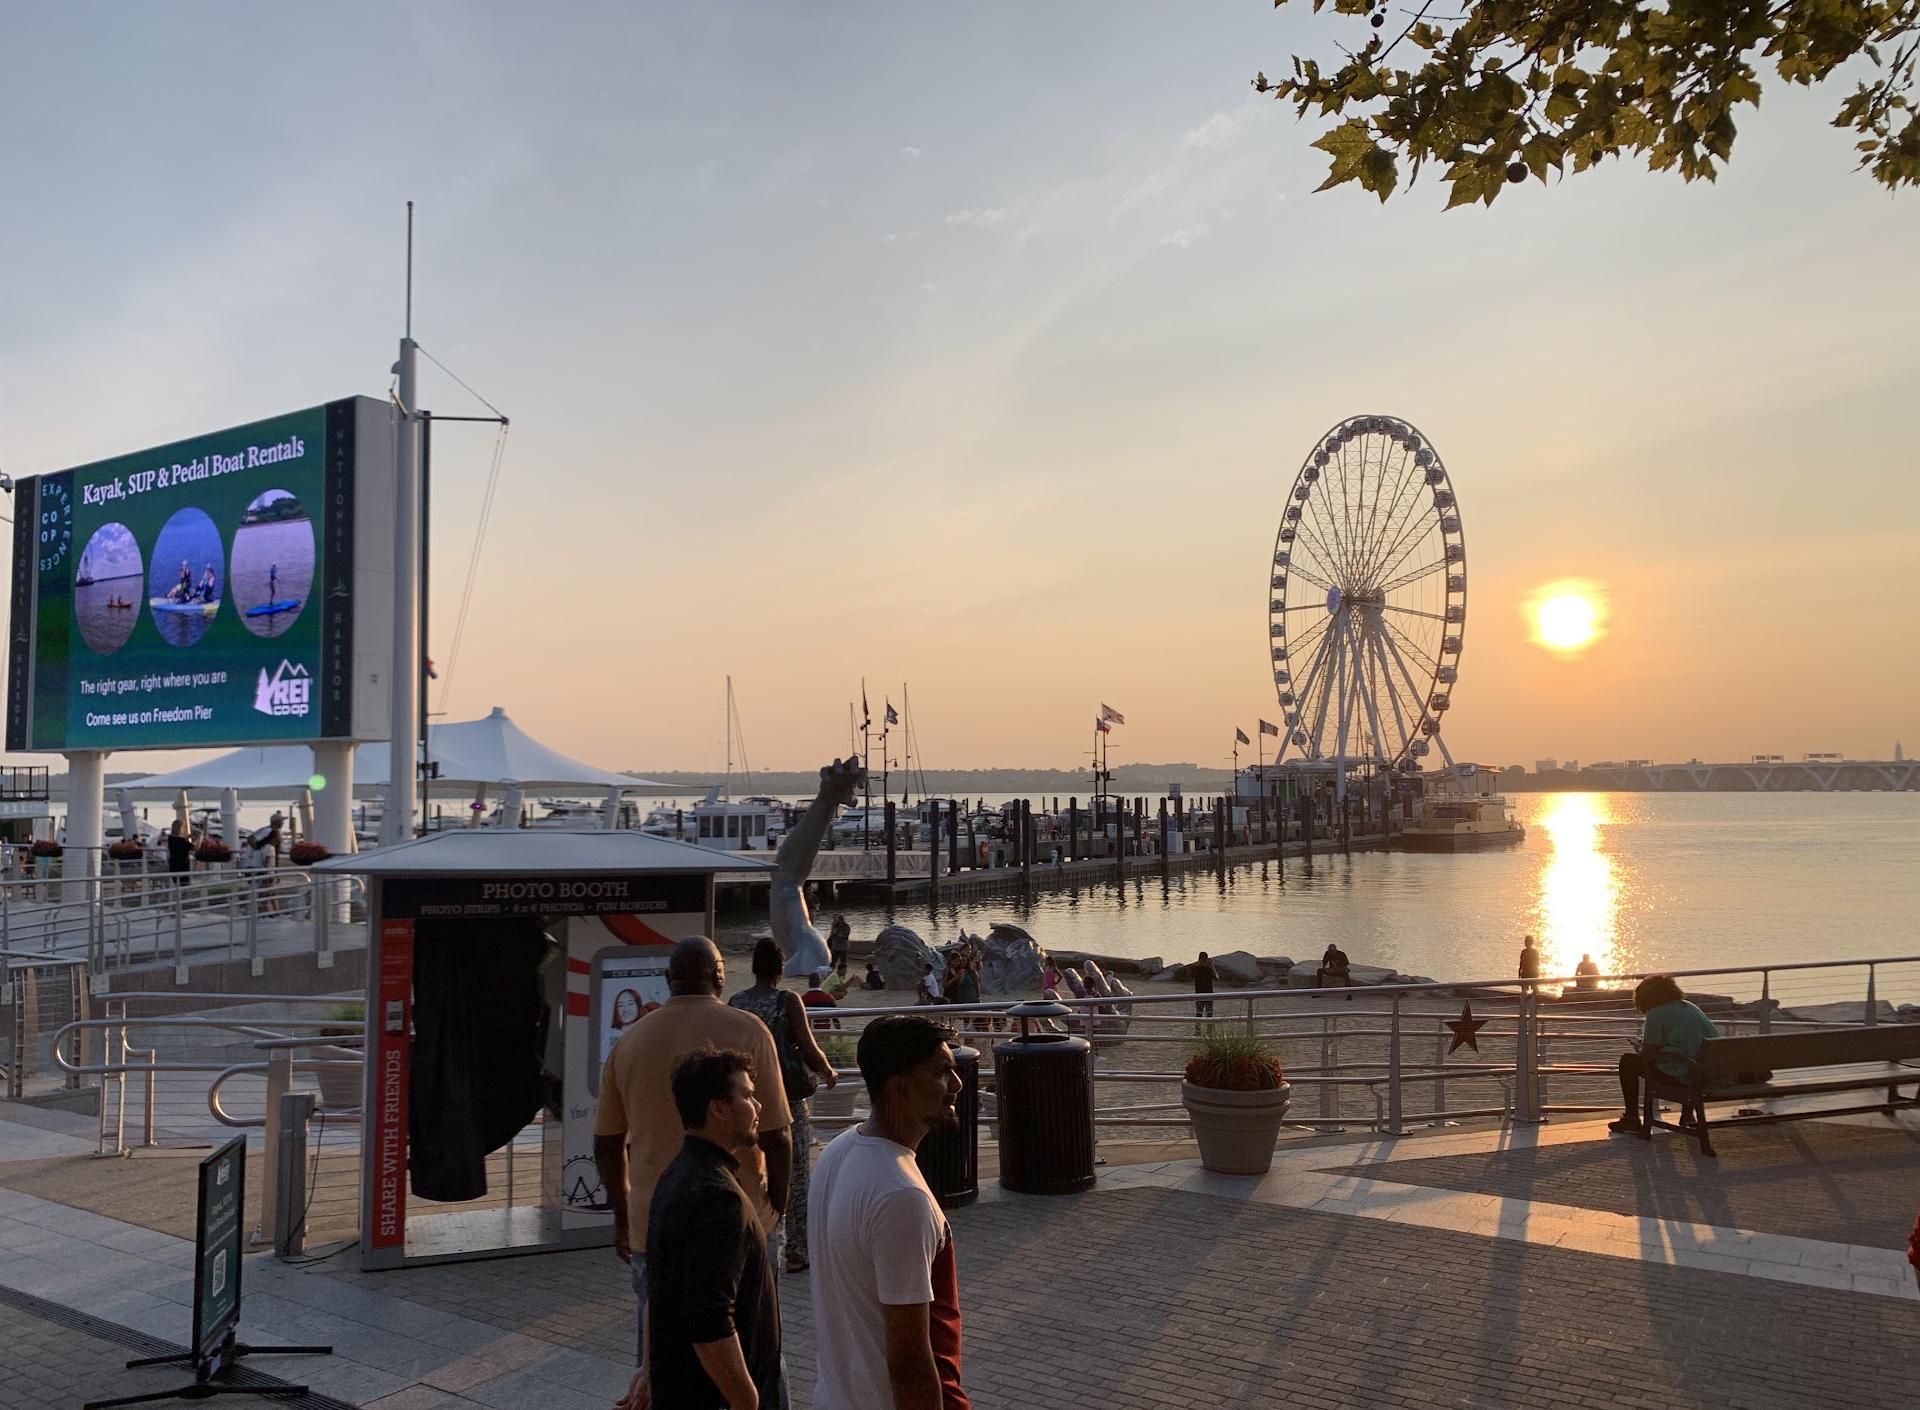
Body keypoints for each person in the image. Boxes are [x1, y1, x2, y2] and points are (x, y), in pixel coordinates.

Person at [594, 937, 793, 1403]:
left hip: (653, 1221)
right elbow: (778, 1135)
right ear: (720, 975)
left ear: (668, 980)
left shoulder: (631, 1039)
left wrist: (623, 1216)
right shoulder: (748, 1031)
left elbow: (606, 1142)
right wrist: (776, 1208)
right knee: (758, 1348)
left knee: (661, 1356)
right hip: (741, 1213)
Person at [809, 1015, 972, 1410]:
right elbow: (911, 1359)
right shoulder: (901, 1196)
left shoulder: (839, 1152)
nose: (957, 1084)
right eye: (941, 1073)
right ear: (899, 1088)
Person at [648, 1047, 782, 1410]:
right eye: (748, 1096)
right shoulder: (717, 1197)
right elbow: (708, 1318)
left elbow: (665, 1289)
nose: (758, 1106)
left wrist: (649, 1369)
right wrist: (747, 1400)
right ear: (719, 1108)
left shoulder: (677, 1175)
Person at [731, 940, 837, 1276]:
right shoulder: (787, 1000)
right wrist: (828, 1071)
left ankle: (752, 1243)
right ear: (779, 969)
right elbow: (807, 1046)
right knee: (796, 1172)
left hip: (744, 1101)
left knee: (748, 1172)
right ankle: (796, 1250)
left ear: (753, 968)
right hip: (785, 1099)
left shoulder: (736, 1003)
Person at [1609, 974, 1721, 1137]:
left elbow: (1648, 1053)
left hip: (1684, 1075)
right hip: (1708, 1072)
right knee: (1690, 1055)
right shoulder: (1690, 1007)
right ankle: (1687, 1114)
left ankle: (1632, 1117)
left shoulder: (1657, 1013)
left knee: (1628, 1062)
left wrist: (1640, 1048)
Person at [165, 819, 196, 887]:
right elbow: (195, 848)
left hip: (174, 866)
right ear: (179, 828)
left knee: (178, 886)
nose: (183, 829)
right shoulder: (181, 841)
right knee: (184, 886)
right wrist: (201, 837)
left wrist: (187, 839)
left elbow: (179, 846)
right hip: (183, 867)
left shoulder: (170, 839)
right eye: (183, 827)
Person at [1190, 951, 1218, 1020]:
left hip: (1199, 994)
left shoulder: (1194, 968)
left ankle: (1198, 1030)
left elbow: (1190, 976)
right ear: (1206, 959)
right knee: (1209, 1014)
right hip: (1209, 994)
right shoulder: (1208, 969)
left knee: (1199, 1014)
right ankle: (1209, 1030)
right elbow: (1217, 978)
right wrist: (1212, 966)